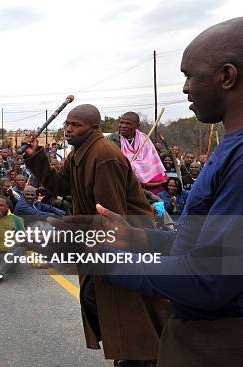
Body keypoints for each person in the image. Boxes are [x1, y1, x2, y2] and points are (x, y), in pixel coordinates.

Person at [54, 19, 243, 366]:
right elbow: (207, 244)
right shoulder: (230, 147)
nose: (185, 88)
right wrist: (139, 239)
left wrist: (105, 261)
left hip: (217, 344)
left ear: (227, 76)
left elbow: (210, 277)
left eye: (189, 75)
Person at [22, 104, 170, 365]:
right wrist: (37, 158)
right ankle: (131, 353)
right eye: (67, 124)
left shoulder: (104, 155)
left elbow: (111, 216)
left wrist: (70, 229)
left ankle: (139, 355)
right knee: (100, 299)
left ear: (94, 128)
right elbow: (61, 185)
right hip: (98, 236)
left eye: (75, 125)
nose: (68, 129)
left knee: (123, 304)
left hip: (126, 238)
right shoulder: (80, 153)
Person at [107, 112, 167, 194]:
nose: (123, 126)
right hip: (119, 184)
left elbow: (152, 162)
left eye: (128, 123)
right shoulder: (110, 140)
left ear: (137, 126)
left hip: (145, 187)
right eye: (121, 122)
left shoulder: (145, 140)